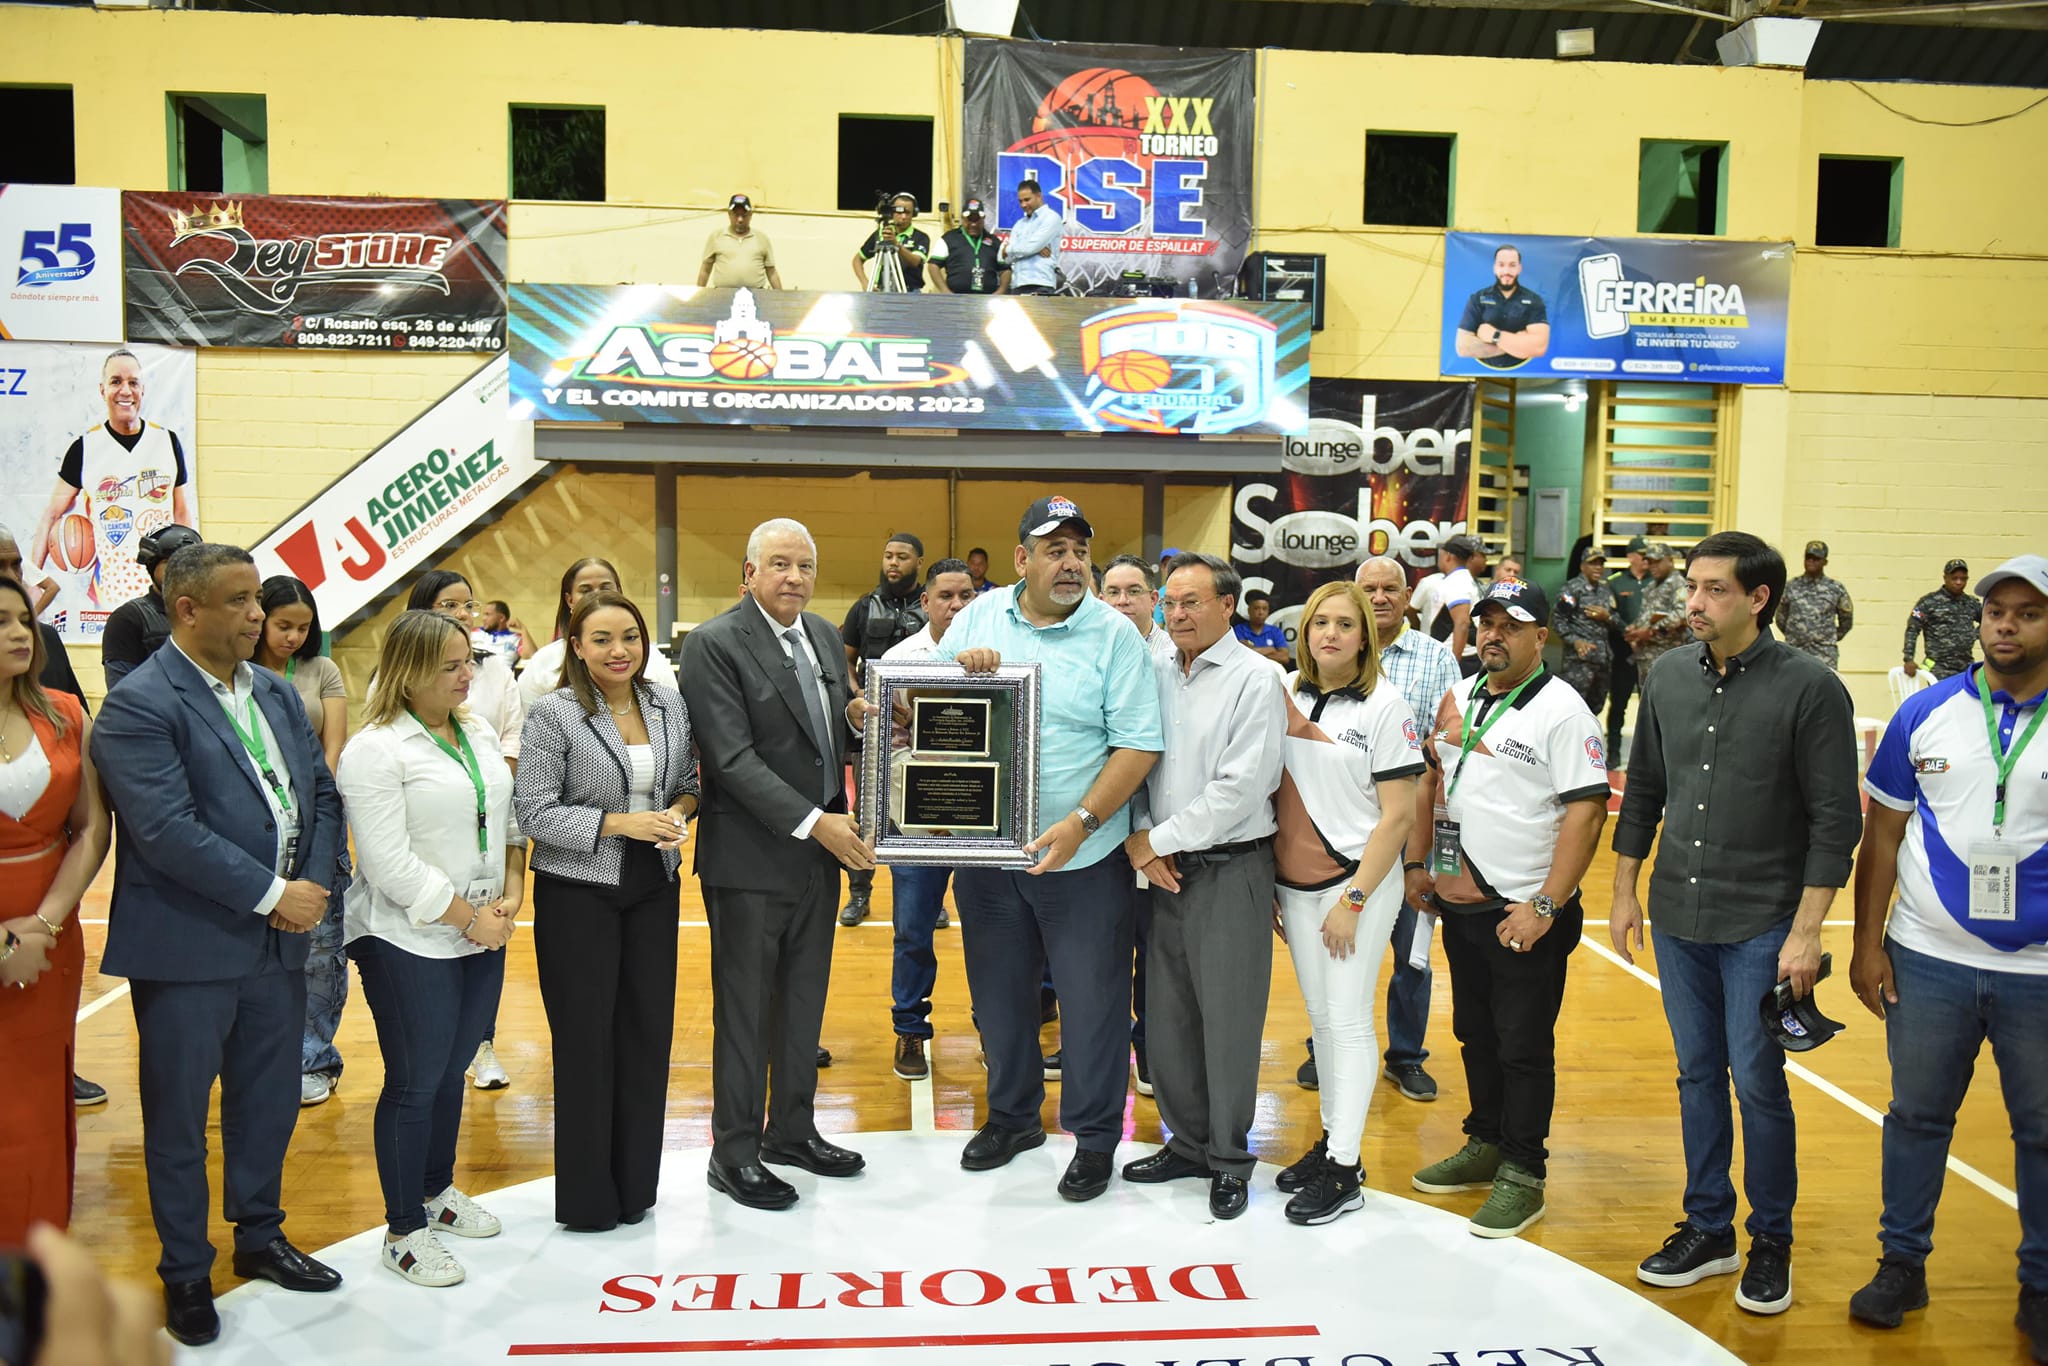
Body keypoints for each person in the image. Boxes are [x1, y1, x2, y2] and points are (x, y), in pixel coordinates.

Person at [90, 543, 348, 1347]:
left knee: (267, 1099)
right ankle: (185, 1272)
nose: (256, 615)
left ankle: (260, 1235)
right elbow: (166, 832)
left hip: (278, 941)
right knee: (177, 1117)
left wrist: (306, 889)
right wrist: (277, 895)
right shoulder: (138, 704)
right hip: (188, 945)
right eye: (237, 602)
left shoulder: (271, 689)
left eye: (255, 600)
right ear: (186, 609)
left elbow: (322, 795)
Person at [1611, 531, 1862, 1316]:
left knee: (1757, 1082)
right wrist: (1623, 891)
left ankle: (1771, 1240)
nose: (1693, 601)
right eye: (1692, 586)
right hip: (1680, 914)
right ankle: (1709, 1227)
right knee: (1695, 1074)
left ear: (1758, 600)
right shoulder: (1668, 681)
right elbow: (1644, 789)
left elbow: (1835, 821)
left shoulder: (1812, 688)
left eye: (1714, 589)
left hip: (1764, 922)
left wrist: (1807, 930)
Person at [935, 496, 1162, 1202]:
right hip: (989, 855)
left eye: (1079, 550)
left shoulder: (1114, 636)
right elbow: (920, 705)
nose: (1070, 563)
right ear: (1021, 560)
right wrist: (954, 673)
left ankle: (1094, 1138)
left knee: (1093, 1005)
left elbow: (1138, 744)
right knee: (1000, 1000)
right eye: (1054, 549)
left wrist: (1084, 823)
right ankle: (1012, 1118)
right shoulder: (978, 616)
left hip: (1084, 860)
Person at [1847, 554, 2048, 1351]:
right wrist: (1868, 945)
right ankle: (1902, 1264)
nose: (2005, 625)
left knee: (2041, 1133)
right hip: (1927, 958)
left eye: (2027, 613)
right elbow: (1883, 833)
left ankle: (2039, 1286)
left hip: (2040, 974)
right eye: (1997, 611)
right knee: (1917, 1118)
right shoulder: (1924, 712)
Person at [1405, 579, 1608, 1239]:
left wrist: (1546, 904)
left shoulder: (1564, 711)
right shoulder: (1459, 696)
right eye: (1486, 623)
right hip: (1462, 904)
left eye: (1510, 626)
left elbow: (1586, 811)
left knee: (1522, 1045)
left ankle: (1524, 1171)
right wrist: (1418, 863)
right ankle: (1486, 1140)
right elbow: (1433, 780)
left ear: (1539, 636)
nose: (1493, 634)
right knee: (1475, 1032)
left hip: (1525, 909)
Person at [681, 520, 869, 1212]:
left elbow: (827, 729)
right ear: (749, 572)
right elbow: (729, 761)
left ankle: (792, 1130)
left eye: (806, 566)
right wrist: (820, 823)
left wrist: (857, 717)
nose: (794, 577)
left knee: (800, 1006)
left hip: (816, 859)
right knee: (746, 1015)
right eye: (780, 564)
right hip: (752, 859)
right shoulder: (713, 644)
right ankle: (733, 1152)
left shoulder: (821, 634)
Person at [337, 610, 523, 1286]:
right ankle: (403, 1230)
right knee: (415, 1081)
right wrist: (467, 918)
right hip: (406, 936)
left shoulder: (472, 731)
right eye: (449, 665)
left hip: (484, 925)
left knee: (450, 1074)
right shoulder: (376, 748)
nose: (467, 674)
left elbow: (504, 819)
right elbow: (386, 862)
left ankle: (437, 1193)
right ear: (408, 672)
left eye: (467, 660)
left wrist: (511, 890)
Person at [515, 590, 697, 1229]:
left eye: (629, 637)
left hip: (654, 886)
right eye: (601, 639)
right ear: (576, 646)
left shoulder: (667, 704)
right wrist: (622, 823)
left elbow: (690, 782)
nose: (618, 650)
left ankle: (633, 1190)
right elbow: (534, 811)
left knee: (646, 1036)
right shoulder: (553, 714)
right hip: (578, 893)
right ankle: (590, 1200)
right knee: (587, 1043)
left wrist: (677, 813)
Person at [1120, 552, 1286, 1221]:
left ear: (1228, 605)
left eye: (1192, 602)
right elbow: (1130, 756)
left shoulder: (1257, 679)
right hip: (1163, 872)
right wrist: (1142, 841)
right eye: (1171, 603)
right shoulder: (1153, 670)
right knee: (1169, 1020)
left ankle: (1228, 1158)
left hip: (1229, 868)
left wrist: (1151, 842)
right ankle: (1185, 1144)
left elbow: (1241, 789)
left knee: (1229, 1024)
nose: (1178, 614)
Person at [1269, 580, 1423, 1226]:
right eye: (1319, 623)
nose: (1330, 634)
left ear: (1366, 636)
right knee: (1323, 1023)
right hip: (1297, 888)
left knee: (1350, 1020)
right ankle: (1334, 1146)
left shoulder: (1386, 707)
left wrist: (1354, 899)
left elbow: (1398, 818)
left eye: (1344, 624)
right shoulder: (1286, 692)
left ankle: (1345, 1169)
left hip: (1357, 885)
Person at [1302, 556, 1463, 1104]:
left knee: (1410, 953)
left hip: (1409, 832)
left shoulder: (1436, 658)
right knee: (1335, 973)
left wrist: (1437, 856)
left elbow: (1451, 751)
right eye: (1367, 588)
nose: (1379, 597)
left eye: (1389, 588)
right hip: (1340, 840)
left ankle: (1406, 1056)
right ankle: (1322, 1050)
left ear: (1407, 593)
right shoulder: (1305, 683)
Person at [0, 574, 112, 1248]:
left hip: (48, 929)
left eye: (21, 619)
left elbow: (91, 828)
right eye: (0, 621)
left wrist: (43, 923)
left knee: (36, 1096)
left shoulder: (67, 711)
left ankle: (33, 1252)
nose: (19, 632)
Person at [403, 570, 527, 1091]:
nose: (460, 614)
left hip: (487, 845)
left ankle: (484, 1044)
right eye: (447, 605)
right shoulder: (385, 737)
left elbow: (513, 743)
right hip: (423, 898)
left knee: (452, 1061)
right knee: (422, 1073)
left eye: (468, 605)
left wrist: (512, 888)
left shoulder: (486, 696)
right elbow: (389, 858)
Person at [863, 558, 978, 1082]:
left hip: (986, 825)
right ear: (925, 602)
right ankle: (909, 1027)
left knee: (994, 935)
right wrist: (917, 805)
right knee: (912, 933)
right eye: (946, 596)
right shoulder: (898, 661)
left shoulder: (1004, 658)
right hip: (917, 823)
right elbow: (882, 747)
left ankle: (994, 1029)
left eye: (966, 596)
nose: (956, 605)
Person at [254, 576, 352, 1108]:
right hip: (261, 828)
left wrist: (314, 811)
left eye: (303, 627)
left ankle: (315, 1057)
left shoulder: (323, 670)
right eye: (282, 625)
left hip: (318, 819)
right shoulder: (241, 671)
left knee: (320, 946)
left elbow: (332, 746)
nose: (292, 637)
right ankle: (263, 1059)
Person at [27, 349, 194, 611]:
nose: (125, 390)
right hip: (109, 591)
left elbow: (181, 513)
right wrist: (32, 579)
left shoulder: (167, 441)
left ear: (142, 389)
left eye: (133, 382)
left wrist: (191, 572)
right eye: (116, 381)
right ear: (102, 390)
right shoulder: (85, 447)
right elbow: (51, 514)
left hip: (162, 589)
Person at [1100, 554, 1174, 1094]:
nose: (1123, 601)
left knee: (1152, 952)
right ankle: (1095, 1046)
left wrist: (1145, 831)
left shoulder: (1174, 661)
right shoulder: (1091, 649)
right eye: (1113, 591)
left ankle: (1149, 1050)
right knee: (1097, 948)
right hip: (1098, 830)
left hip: (1153, 831)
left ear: (1155, 600)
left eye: (1133, 591)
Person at [837, 533, 927, 926]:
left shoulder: (930, 605)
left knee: (925, 807)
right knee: (865, 811)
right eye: (888, 555)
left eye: (902, 557)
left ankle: (930, 894)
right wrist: (858, 693)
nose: (893, 563)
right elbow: (846, 659)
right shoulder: (863, 607)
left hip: (925, 728)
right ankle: (859, 892)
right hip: (875, 724)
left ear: (918, 562)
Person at [519, 557, 679, 710]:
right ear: (569, 600)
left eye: (605, 588)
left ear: (619, 592)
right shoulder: (543, 663)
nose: (597, 595)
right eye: (586, 590)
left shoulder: (653, 658)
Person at [99, 523, 203, 690]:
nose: (182, 571)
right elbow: (123, 696)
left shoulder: (211, 614)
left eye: (191, 564)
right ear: (152, 566)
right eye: (170, 562)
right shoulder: (128, 619)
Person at [1454, 244, 1549, 369]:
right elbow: (1463, 348)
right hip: (1483, 374)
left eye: (1512, 265)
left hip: (1523, 373)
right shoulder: (1478, 299)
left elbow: (1539, 347)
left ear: (1519, 268)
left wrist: (1495, 336)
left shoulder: (1534, 300)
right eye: (1501, 265)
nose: (1506, 271)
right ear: (1494, 268)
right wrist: (1519, 343)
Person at [1553, 546, 1618, 714]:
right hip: (1579, 662)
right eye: (1593, 563)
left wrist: (1607, 617)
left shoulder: (1605, 591)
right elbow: (1558, 620)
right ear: (1583, 566)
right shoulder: (1572, 589)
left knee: (1595, 708)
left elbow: (1617, 620)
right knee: (1572, 709)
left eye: (1601, 564)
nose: (1598, 568)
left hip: (1602, 659)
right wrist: (1575, 641)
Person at [1606, 537, 1651, 763]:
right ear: (1631, 556)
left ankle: (1645, 757)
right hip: (1623, 653)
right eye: (1642, 555)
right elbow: (1610, 615)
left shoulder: (1656, 581)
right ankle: (1613, 752)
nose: (1646, 559)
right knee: (1619, 704)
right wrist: (1628, 634)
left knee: (1649, 706)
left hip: (1650, 653)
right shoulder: (1616, 582)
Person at [1779, 540, 1856, 671]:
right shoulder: (1791, 586)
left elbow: (1846, 620)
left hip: (1824, 653)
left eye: (1816, 558)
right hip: (1795, 651)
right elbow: (1781, 617)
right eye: (1808, 557)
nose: (1811, 561)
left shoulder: (1835, 588)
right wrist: (1796, 635)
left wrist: (1827, 638)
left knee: (1825, 690)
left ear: (1825, 562)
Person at [1903, 557, 1982, 681]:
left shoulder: (1971, 603)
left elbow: (1990, 621)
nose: (1959, 582)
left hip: (1966, 667)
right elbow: (1912, 629)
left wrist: (1974, 635)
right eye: (1954, 578)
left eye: (1963, 579)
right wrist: (1908, 659)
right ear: (1945, 578)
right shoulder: (1928, 602)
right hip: (1938, 668)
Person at [1626, 542, 1688, 678]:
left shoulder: (1679, 584)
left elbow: (1682, 614)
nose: (1652, 566)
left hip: (1666, 655)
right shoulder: (1651, 586)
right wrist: (1635, 628)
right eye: (1650, 562)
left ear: (1670, 561)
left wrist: (1651, 631)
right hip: (1646, 655)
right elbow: (1645, 615)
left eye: (1657, 562)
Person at [853, 194, 938, 293]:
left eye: (908, 213)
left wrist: (896, 244)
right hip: (881, 290)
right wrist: (865, 283)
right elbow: (857, 259)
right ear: (891, 212)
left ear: (914, 214)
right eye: (899, 212)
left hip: (909, 292)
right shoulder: (881, 233)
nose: (903, 217)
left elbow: (915, 262)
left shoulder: (920, 237)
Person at [698, 193, 784, 290]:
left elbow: (771, 271)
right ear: (729, 214)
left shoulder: (762, 238)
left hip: (756, 297)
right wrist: (698, 296)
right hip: (722, 297)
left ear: (751, 215)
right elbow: (705, 269)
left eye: (744, 215)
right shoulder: (716, 237)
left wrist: (781, 298)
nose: (740, 219)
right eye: (736, 214)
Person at [930, 199, 1006, 295]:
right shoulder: (948, 239)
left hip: (987, 299)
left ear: (983, 219)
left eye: (977, 219)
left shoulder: (995, 242)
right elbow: (933, 265)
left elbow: (1005, 269)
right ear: (962, 218)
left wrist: (1000, 291)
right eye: (969, 219)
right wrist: (945, 292)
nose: (973, 224)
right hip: (956, 299)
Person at [1430, 535, 1482, 674]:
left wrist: (1454, 662)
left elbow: (1462, 623)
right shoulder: (1461, 579)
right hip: (1460, 657)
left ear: (1448, 556)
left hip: (1460, 659)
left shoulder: (1457, 582)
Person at [1003, 179, 1063, 296]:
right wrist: (1035, 248)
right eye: (1020, 201)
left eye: (1027, 200)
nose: (1023, 205)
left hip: (1041, 284)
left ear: (1039, 196)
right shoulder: (1019, 223)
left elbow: (1029, 248)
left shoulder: (1051, 217)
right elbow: (1006, 259)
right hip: (1017, 285)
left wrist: (1008, 249)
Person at [1233, 589, 1293, 666]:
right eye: (1256, 608)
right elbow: (1239, 655)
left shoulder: (1275, 631)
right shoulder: (1239, 630)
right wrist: (1270, 649)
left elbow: (1284, 658)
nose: (1260, 612)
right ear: (1249, 610)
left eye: (1264, 609)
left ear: (1268, 612)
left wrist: (1253, 650)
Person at [474, 599, 533, 666]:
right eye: (484, 614)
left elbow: (530, 656)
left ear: (501, 618)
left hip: (502, 675)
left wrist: (523, 629)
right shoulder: (474, 632)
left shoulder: (516, 638)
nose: (483, 618)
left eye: (488, 614)